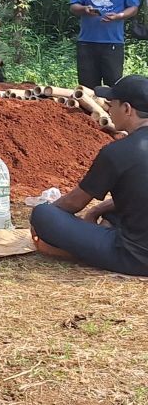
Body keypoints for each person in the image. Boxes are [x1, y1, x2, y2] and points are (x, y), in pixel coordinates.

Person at [29, 75, 148, 276]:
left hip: (135, 257)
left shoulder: (118, 152)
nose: (109, 109)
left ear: (127, 109)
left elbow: (73, 203)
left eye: (112, 104)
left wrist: (43, 221)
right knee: (111, 213)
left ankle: (73, 251)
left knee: (43, 214)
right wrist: (98, 210)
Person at [69, 0, 140, 89]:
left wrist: (119, 16)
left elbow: (133, 8)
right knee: (87, 86)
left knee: (113, 85)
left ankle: (111, 111)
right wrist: (84, 9)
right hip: (86, 42)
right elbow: (73, 6)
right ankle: (89, 110)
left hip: (112, 42)